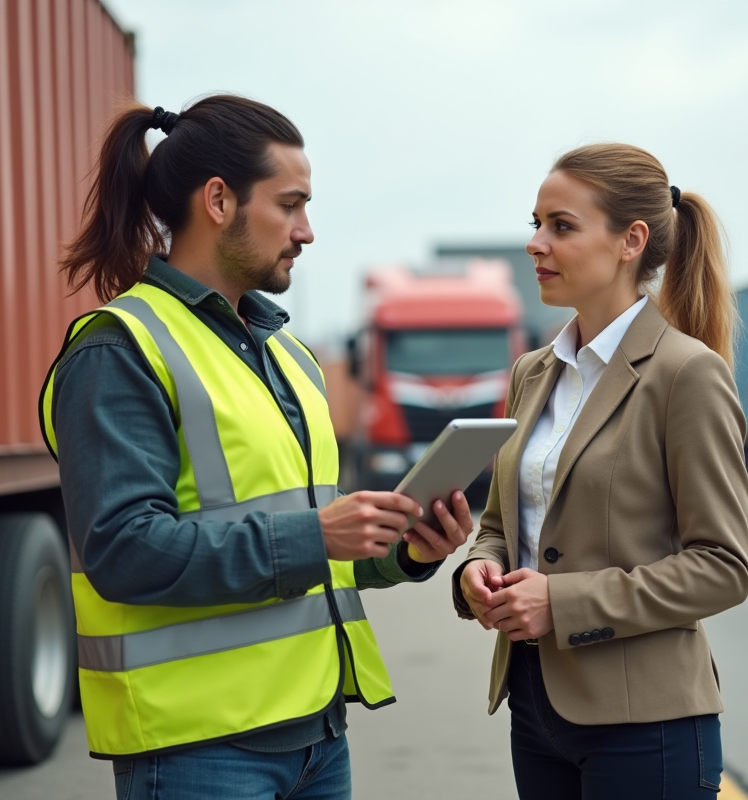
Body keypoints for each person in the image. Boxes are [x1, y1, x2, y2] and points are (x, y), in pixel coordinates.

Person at [40, 95, 473, 800]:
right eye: (291, 204)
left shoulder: (289, 355)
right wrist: (315, 536)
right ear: (218, 200)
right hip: (199, 751)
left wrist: (406, 552)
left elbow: (314, 548)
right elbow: (122, 549)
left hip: (318, 738)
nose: (307, 231)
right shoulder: (120, 350)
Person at [451, 143, 748, 800]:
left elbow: (724, 568)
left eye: (560, 226)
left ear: (630, 241)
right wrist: (481, 569)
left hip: (647, 724)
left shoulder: (686, 375)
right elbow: (503, 524)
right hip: (534, 706)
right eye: (534, 223)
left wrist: (560, 603)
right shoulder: (532, 373)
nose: (535, 243)